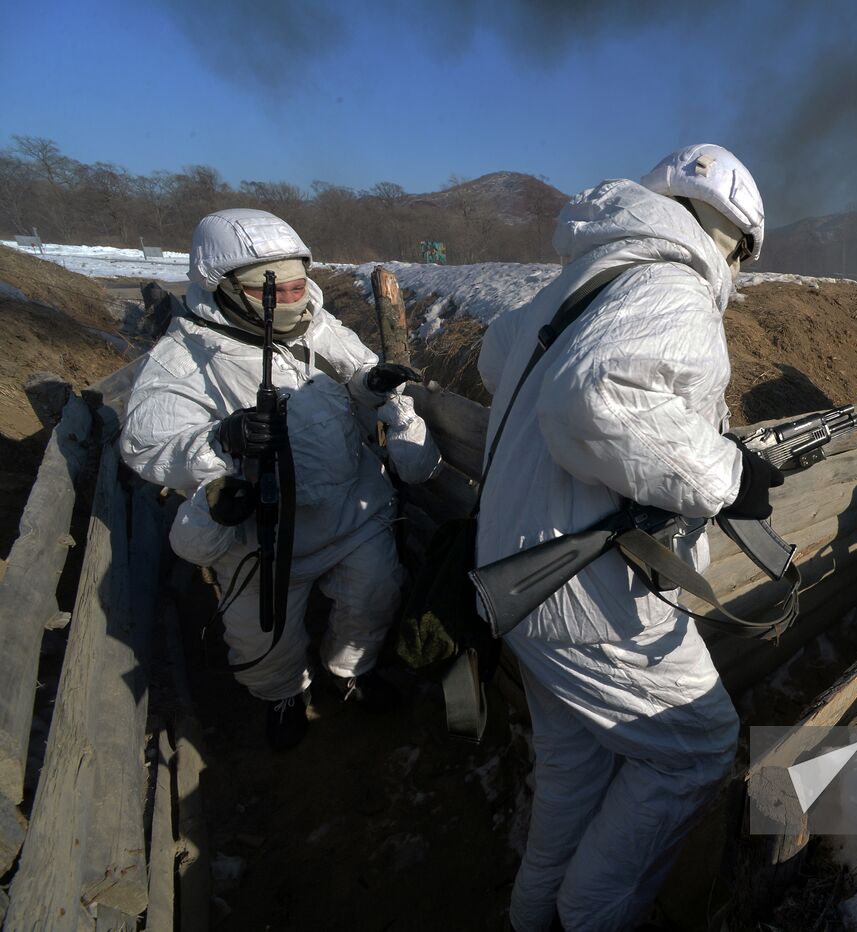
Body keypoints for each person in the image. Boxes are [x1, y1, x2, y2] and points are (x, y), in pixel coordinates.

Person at [474, 144, 774, 932]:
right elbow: (590, 404)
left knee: (573, 771)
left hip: (525, 579)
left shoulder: (582, 277)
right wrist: (726, 474)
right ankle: (592, 914)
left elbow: (494, 355)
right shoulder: (675, 288)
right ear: (734, 240)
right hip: (586, 595)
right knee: (697, 747)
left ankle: (532, 914)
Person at [120, 209, 440, 750]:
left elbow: (355, 374)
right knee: (262, 637)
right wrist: (222, 441)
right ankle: (283, 693)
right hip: (263, 537)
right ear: (225, 288)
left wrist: (373, 382)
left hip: (349, 506)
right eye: (279, 290)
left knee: (375, 595)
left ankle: (348, 673)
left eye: (299, 285)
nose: (293, 299)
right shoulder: (185, 357)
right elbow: (145, 446)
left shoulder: (315, 320)